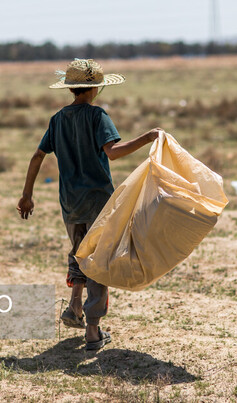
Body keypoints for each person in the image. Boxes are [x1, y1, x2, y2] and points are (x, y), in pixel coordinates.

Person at [16, 59, 161, 350]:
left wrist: (26, 195)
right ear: (95, 88)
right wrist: (147, 137)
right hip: (98, 202)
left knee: (80, 250)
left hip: (70, 202)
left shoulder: (58, 119)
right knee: (100, 259)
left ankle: (75, 305)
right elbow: (114, 153)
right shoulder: (98, 117)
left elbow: (36, 157)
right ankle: (93, 331)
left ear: (71, 88)